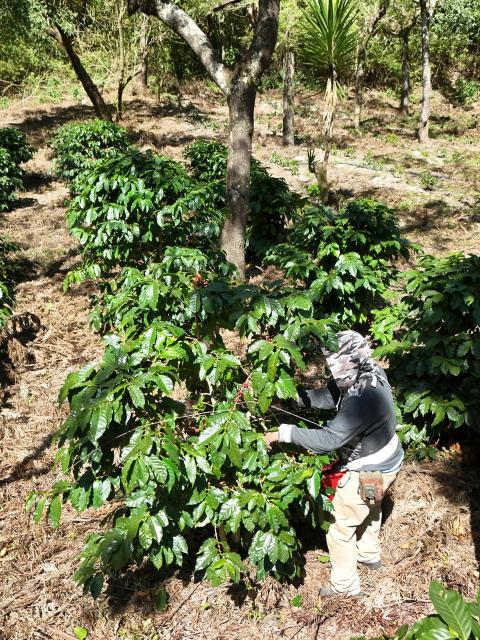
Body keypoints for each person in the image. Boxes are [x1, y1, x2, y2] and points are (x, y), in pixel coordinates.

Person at [263, 330, 403, 597]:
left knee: (341, 528)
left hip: (368, 469)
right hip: (385, 463)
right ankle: (370, 555)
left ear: (345, 362)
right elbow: (328, 396)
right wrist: (289, 398)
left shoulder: (361, 399)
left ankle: (345, 586)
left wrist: (284, 433)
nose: (331, 370)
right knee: (371, 506)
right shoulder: (370, 374)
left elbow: (330, 440)